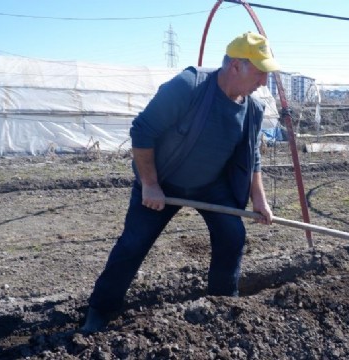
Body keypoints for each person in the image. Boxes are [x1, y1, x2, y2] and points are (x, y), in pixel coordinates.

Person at [81, 32, 279, 333]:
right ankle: (100, 310)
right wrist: (149, 183)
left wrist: (259, 199)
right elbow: (142, 131)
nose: (264, 81)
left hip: (212, 185)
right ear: (236, 66)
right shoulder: (189, 87)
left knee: (232, 236)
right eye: (260, 71)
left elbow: (252, 158)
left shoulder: (252, 109)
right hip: (163, 182)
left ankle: (222, 304)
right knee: (133, 244)